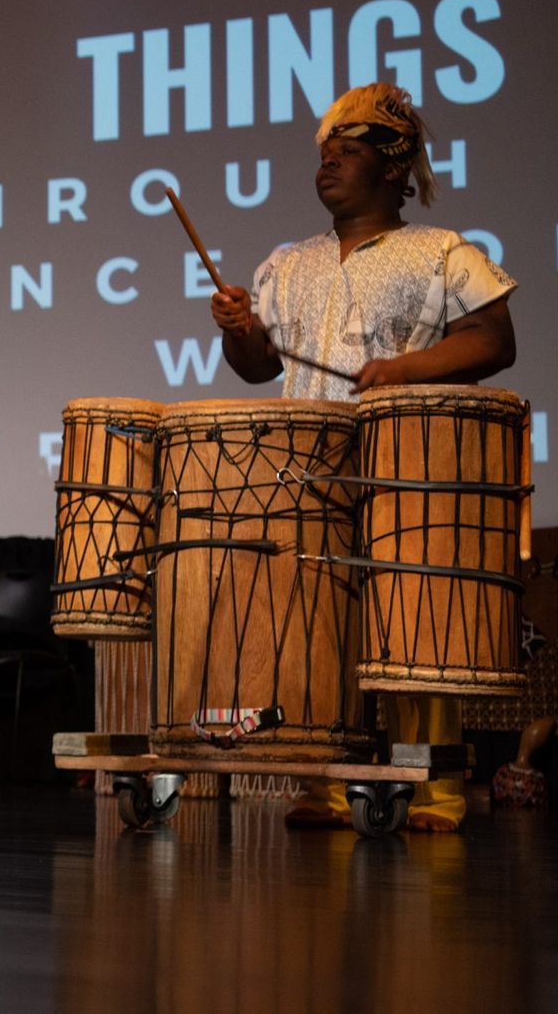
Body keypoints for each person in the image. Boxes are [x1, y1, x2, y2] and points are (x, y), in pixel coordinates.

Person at [211, 81, 516, 830]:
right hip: (307, 467)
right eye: (324, 153)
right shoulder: (287, 261)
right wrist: (238, 329)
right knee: (317, 624)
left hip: (406, 464)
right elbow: (258, 367)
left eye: (346, 152)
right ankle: (322, 781)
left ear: (392, 169)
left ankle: (434, 787)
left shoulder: (440, 250)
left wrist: (404, 369)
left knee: (414, 620)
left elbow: (494, 339)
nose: (328, 162)